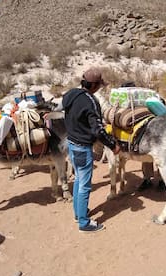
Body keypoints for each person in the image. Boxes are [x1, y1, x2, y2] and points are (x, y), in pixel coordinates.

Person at [62, 67, 120, 233]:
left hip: (72, 144)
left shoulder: (71, 94)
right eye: (99, 86)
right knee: (85, 185)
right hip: (82, 147)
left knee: (79, 180)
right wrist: (112, 145)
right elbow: (98, 130)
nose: (99, 88)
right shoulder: (91, 102)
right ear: (94, 85)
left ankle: (78, 213)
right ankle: (84, 223)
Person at [119, 81, 166, 192]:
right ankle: (151, 179)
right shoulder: (144, 99)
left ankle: (158, 180)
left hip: (155, 130)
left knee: (157, 156)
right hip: (149, 131)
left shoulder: (141, 101)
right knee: (150, 156)